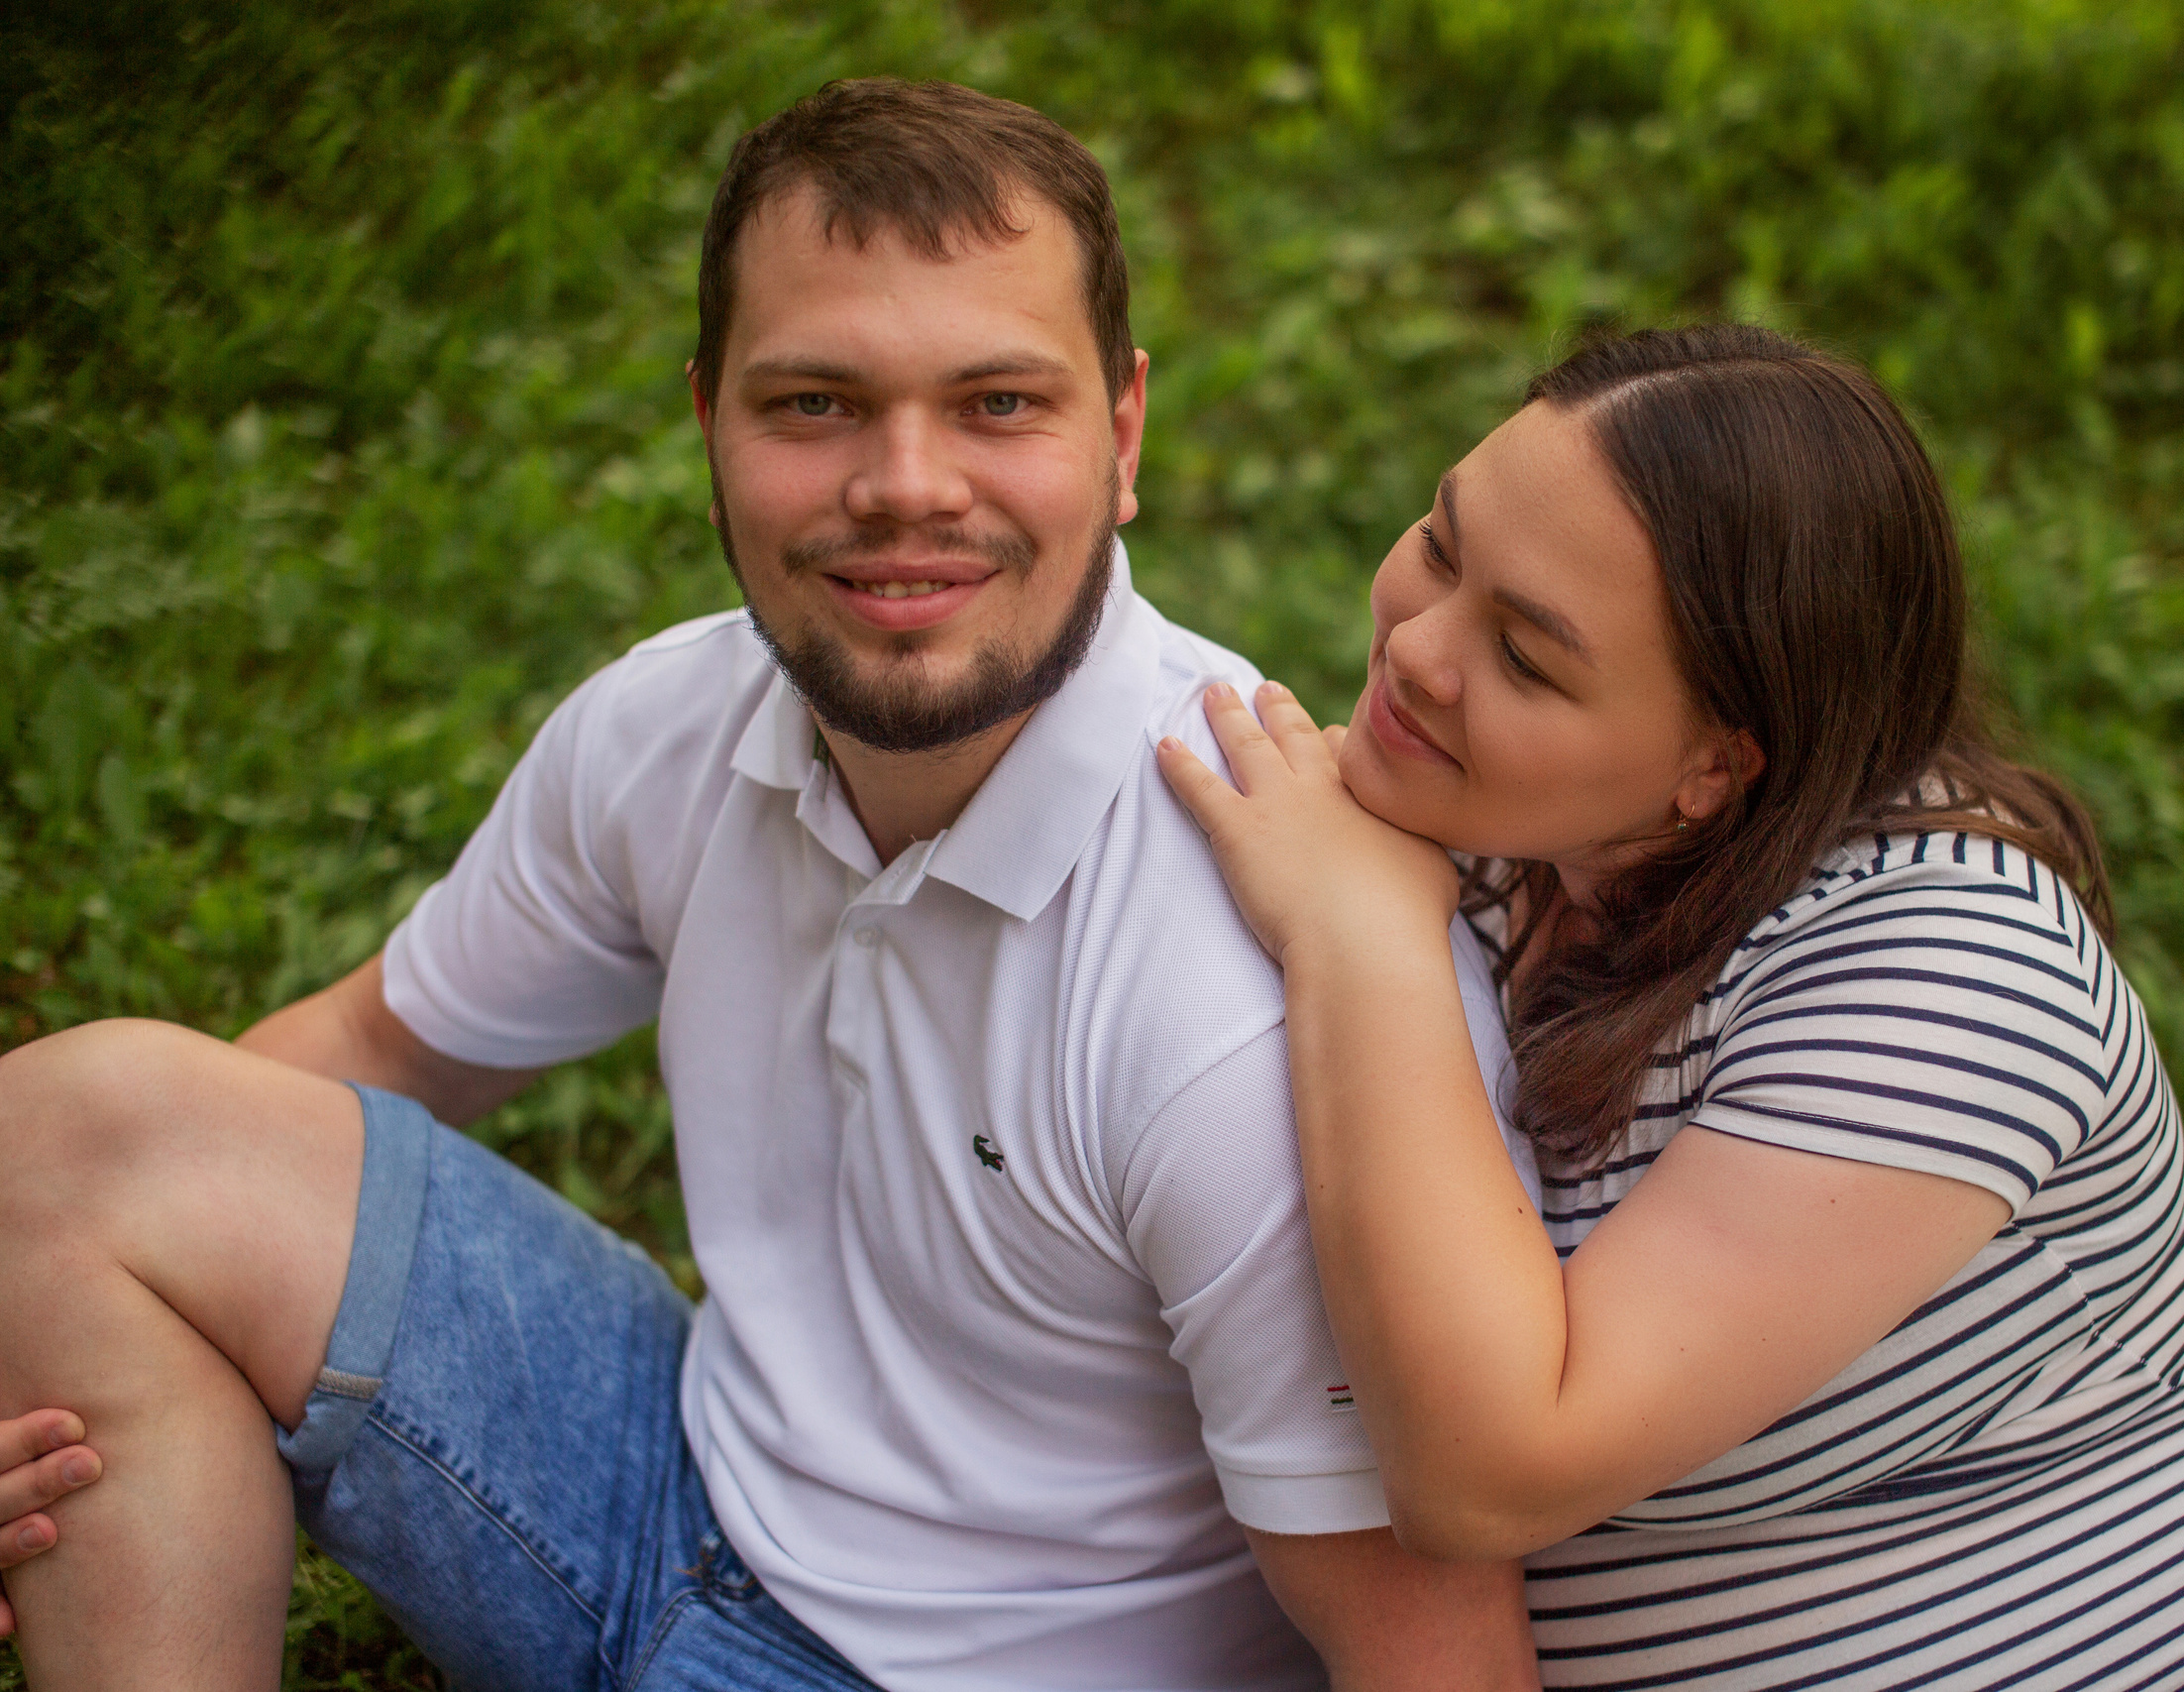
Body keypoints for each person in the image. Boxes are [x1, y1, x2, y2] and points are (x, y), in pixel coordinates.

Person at [0, 78, 1544, 1691]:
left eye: (999, 405)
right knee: (68, 1144)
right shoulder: (668, 727)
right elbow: (378, 1055)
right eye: (814, 404)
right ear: (708, 425)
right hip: (669, 1484)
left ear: (1126, 431)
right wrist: (47, 1337)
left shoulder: (1243, 997)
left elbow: (1434, 1652)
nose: (905, 485)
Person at [1158, 324, 2184, 1687]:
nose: (1417, 650)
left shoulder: (1958, 979)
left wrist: (1364, 944)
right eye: (1445, 545)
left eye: (1527, 659)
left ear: (1713, 768)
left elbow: (1494, 1474)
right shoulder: (1495, 827)